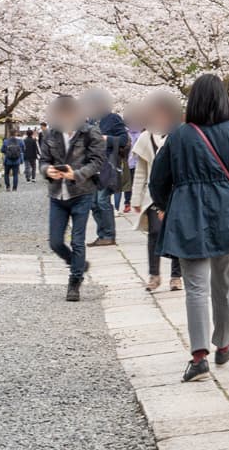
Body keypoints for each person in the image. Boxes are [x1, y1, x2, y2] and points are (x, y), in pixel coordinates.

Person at [149, 73, 229, 383]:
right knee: (223, 284)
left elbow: (158, 179)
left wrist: (162, 205)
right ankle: (224, 344)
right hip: (226, 212)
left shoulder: (180, 135)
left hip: (187, 215)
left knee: (195, 287)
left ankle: (199, 357)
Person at [39, 94, 107, 302]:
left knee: (78, 241)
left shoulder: (90, 133)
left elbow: (97, 162)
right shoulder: (52, 133)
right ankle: (78, 263)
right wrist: (47, 170)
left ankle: (75, 282)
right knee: (55, 242)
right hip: (57, 194)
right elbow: (43, 160)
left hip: (81, 193)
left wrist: (76, 174)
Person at [130, 91, 183, 292]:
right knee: (154, 232)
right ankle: (154, 274)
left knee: (175, 234)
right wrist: (136, 198)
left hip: (176, 194)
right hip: (153, 195)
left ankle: (176, 276)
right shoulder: (145, 137)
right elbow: (141, 172)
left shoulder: (179, 134)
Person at [85, 88, 129, 247]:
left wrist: (107, 139)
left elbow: (124, 139)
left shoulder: (113, 118)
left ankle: (109, 235)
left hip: (107, 165)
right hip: (92, 166)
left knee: (103, 200)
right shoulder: (89, 121)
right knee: (93, 203)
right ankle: (102, 234)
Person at [123, 103, 144, 213]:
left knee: (138, 181)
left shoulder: (141, 134)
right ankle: (127, 202)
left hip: (139, 162)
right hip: (129, 162)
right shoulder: (126, 134)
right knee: (128, 184)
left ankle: (137, 201)